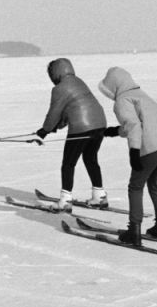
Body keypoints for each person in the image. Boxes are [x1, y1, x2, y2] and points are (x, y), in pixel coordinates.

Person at [99, 67, 157, 246]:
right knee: (156, 184)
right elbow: (142, 124)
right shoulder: (141, 95)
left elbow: (134, 126)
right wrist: (115, 131)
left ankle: (133, 231)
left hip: (151, 147)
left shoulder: (122, 100)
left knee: (135, 186)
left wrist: (134, 152)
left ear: (114, 85)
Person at [35, 58, 108, 211]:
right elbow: (71, 109)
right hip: (99, 124)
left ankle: (65, 200)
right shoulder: (78, 82)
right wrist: (56, 126)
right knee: (90, 159)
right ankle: (99, 196)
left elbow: (54, 112)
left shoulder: (60, 88)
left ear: (56, 73)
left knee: (68, 163)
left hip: (82, 128)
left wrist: (45, 129)